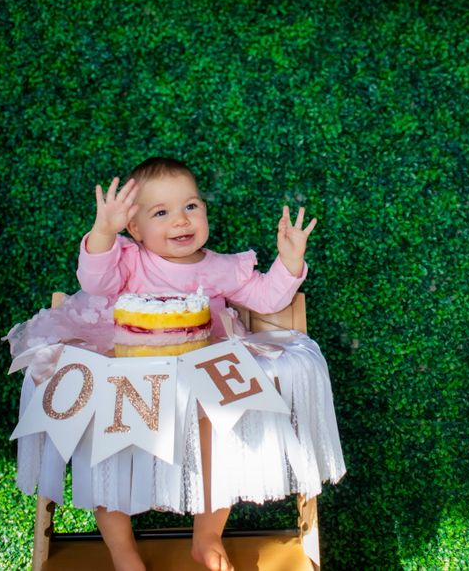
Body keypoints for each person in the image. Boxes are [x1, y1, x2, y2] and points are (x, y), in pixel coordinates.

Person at [77, 155, 317, 571]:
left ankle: (206, 538)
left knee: (223, 452)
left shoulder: (220, 268)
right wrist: (103, 232)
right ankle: (123, 550)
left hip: (202, 384)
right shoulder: (130, 261)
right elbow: (94, 283)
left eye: (191, 206)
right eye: (161, 212)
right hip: (137, 384)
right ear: (134, 228)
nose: (181, 221)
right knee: (111, 458)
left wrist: (290, 261)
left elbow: (267, 299)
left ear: (204, 210)